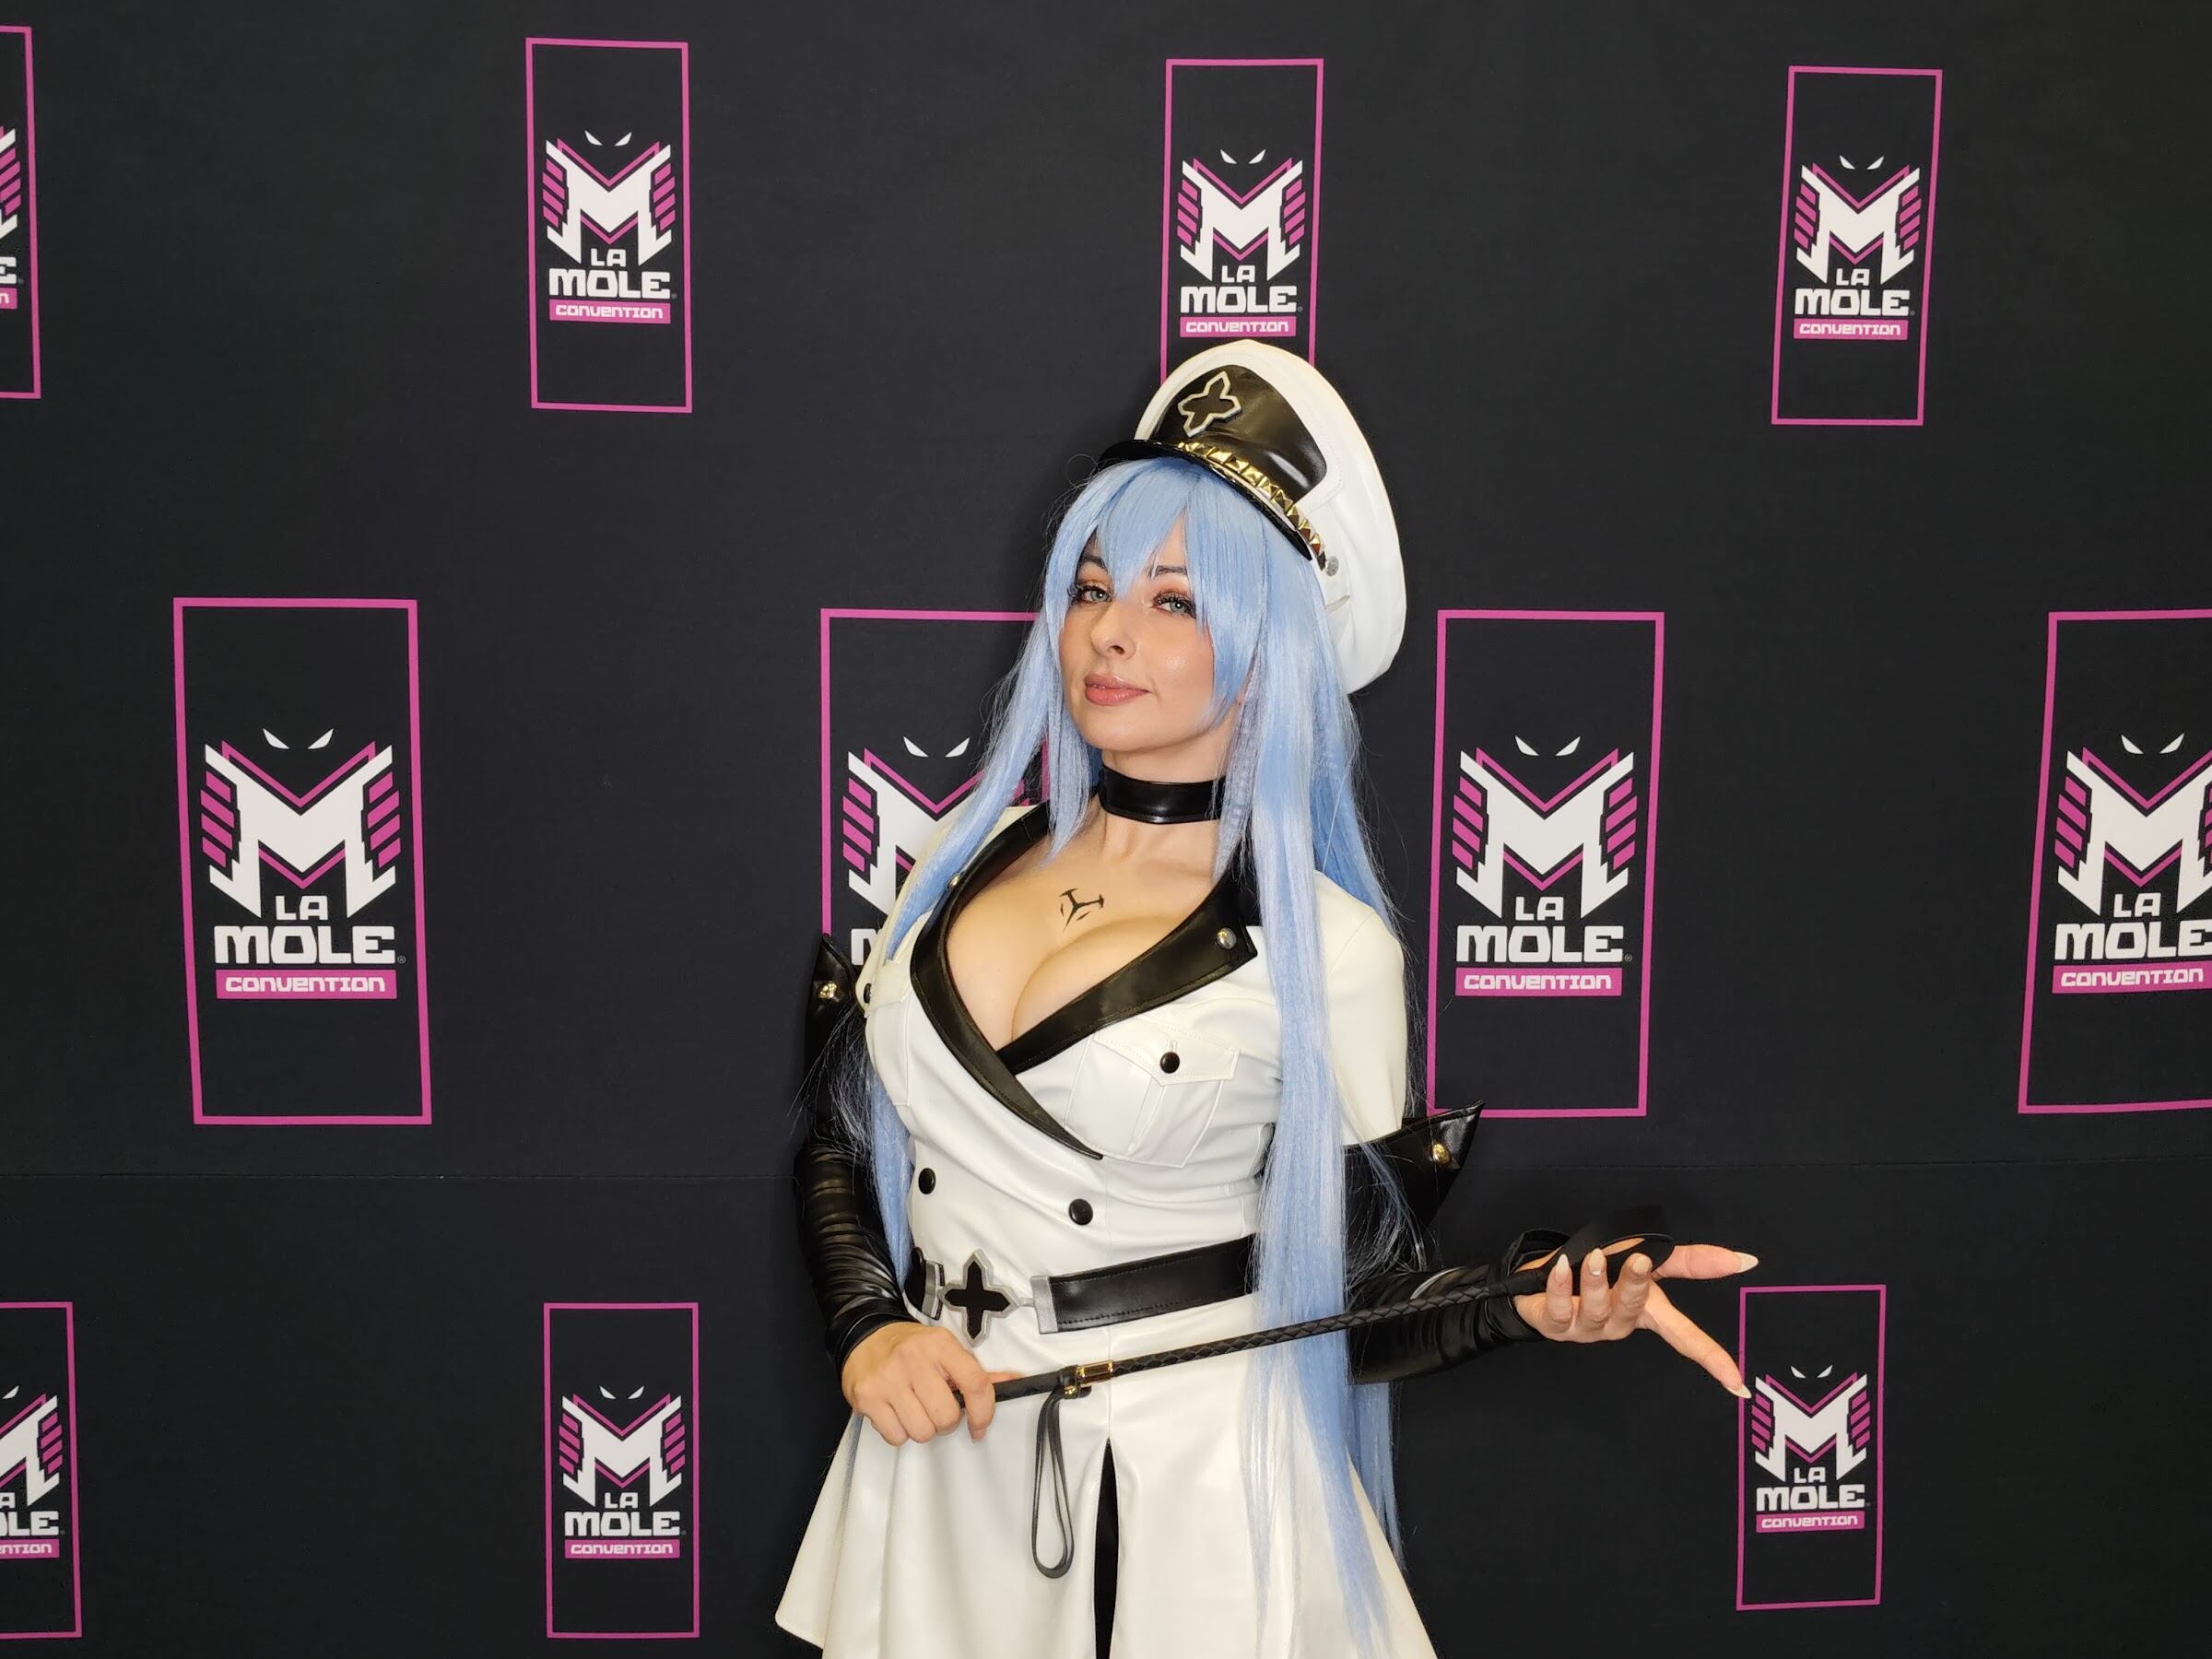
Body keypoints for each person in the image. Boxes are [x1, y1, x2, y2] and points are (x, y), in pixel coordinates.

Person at [774, 341, 1757, 1658]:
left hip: (1181, 1499)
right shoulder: (957, 865)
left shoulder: (1327, 952)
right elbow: (844, 1131)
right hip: (936, 1463)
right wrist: (868, 1328)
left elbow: (1353, 1288)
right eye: (1093, 587)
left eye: (1176, 601)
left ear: (1268, 650)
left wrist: (1525, 1299)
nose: (1111, 632)